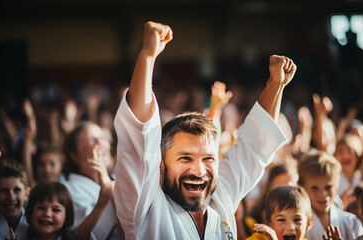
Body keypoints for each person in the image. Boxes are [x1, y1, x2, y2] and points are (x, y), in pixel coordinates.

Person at [114, 21, 295, 239]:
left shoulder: (221, 195)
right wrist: (147, 57)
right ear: (160, 167)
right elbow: (137, 135)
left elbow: (254, 146)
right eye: (185, 158)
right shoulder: (144, 208)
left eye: (208, 158)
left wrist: (276, 85)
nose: (199, 171)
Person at [62, 125, 120, 240]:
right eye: (90, 139)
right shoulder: (69, 190)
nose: (100, 142)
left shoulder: (117, 178)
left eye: (102, 137)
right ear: (74, 155)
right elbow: (87, 235)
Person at [297, 152, 363, 239]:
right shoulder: (298, 226)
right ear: (302, 188)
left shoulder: (352, 223)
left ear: (337, 186)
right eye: (314, 188)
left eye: (328, 187)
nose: (322, 194)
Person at [0, 148, 30, 240]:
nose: (11, 197)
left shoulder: (34, 222)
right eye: (3, 191)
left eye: (17, 190)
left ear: (26, 194)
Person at [246, 185, 312, 240]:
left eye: (297, 219)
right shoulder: (259, 239)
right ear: (268, 222)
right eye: (281, 220)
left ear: (308, 223)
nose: (290, 227)